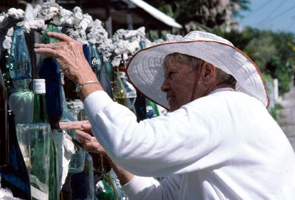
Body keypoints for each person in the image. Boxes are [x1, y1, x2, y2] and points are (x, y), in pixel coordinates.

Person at [35, 31, 295, 199]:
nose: (163, 87)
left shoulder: (226, 107)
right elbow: (163, 197)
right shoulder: (223, 117)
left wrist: (84, 76)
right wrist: (110, 151)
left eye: (172, 74)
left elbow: (130, 145)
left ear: (207, 72)